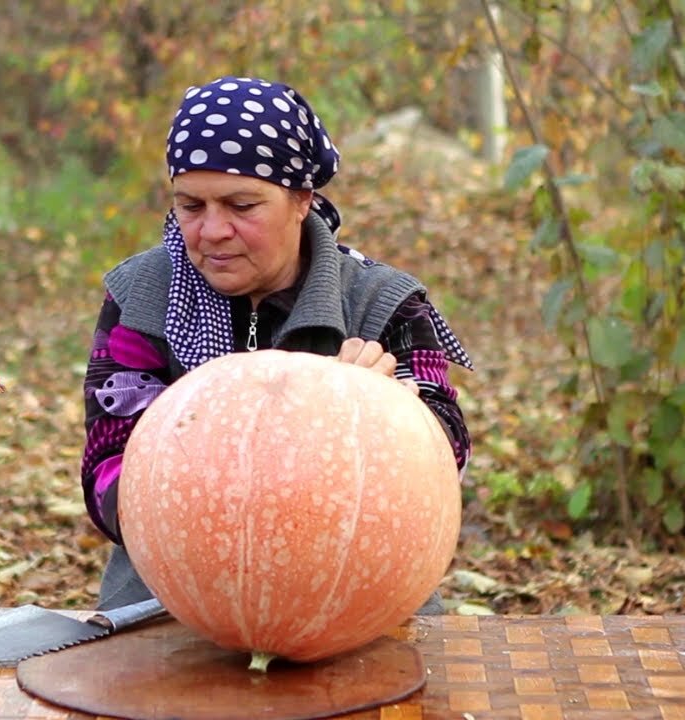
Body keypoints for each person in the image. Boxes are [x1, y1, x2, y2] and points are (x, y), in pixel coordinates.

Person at [80, 76, 473, 615]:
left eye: (242, 205)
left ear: (301, 201)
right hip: (169, 605)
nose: (212, 230)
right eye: (190, 205)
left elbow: (445, 459)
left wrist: (385, 414)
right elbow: (108, 466)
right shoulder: (141, 297)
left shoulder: (381, 302)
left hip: (353, 604)